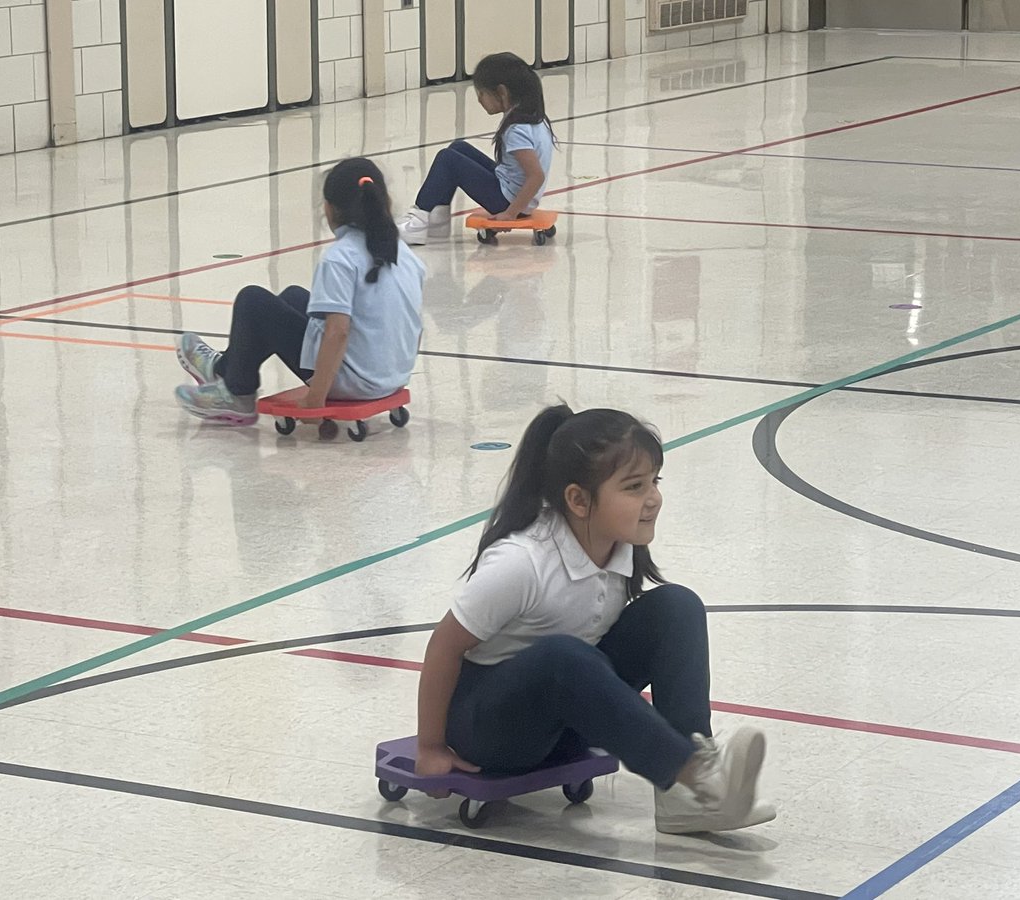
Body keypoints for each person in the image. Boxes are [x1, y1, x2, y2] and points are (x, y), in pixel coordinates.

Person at [415, 405, 776, 834]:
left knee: (676, 605)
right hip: (490, 731)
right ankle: (696, 775)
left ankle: (686, 794)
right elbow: (444, 645)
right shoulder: (522, 563)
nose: (653, 498)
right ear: (578, 500)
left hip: (564, 721)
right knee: (562, 656)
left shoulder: (619, 547)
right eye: (634, 487)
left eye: (653, 482)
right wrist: (431, 746)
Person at [173, 158, 425, 426]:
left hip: (353, 382)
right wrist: (396, 373)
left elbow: (338, 332)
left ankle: (237, 394)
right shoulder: (404, 253)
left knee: (253, 301)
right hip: (391, 376)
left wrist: (316, 398)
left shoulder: (340, 259)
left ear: (329, 209)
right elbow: (413, 323)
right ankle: (224, 368)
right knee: (293, 297)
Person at [397, 52, 555, 246]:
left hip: (507, 201)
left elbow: (535, 175)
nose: (479, 99)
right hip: (512, 192)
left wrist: (510, 213)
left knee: (447, 158)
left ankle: (417, 222)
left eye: (482, 93)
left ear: (502, 93)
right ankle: (437, 219)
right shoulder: (531, 117)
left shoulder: (517, 130)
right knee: (458, 147)